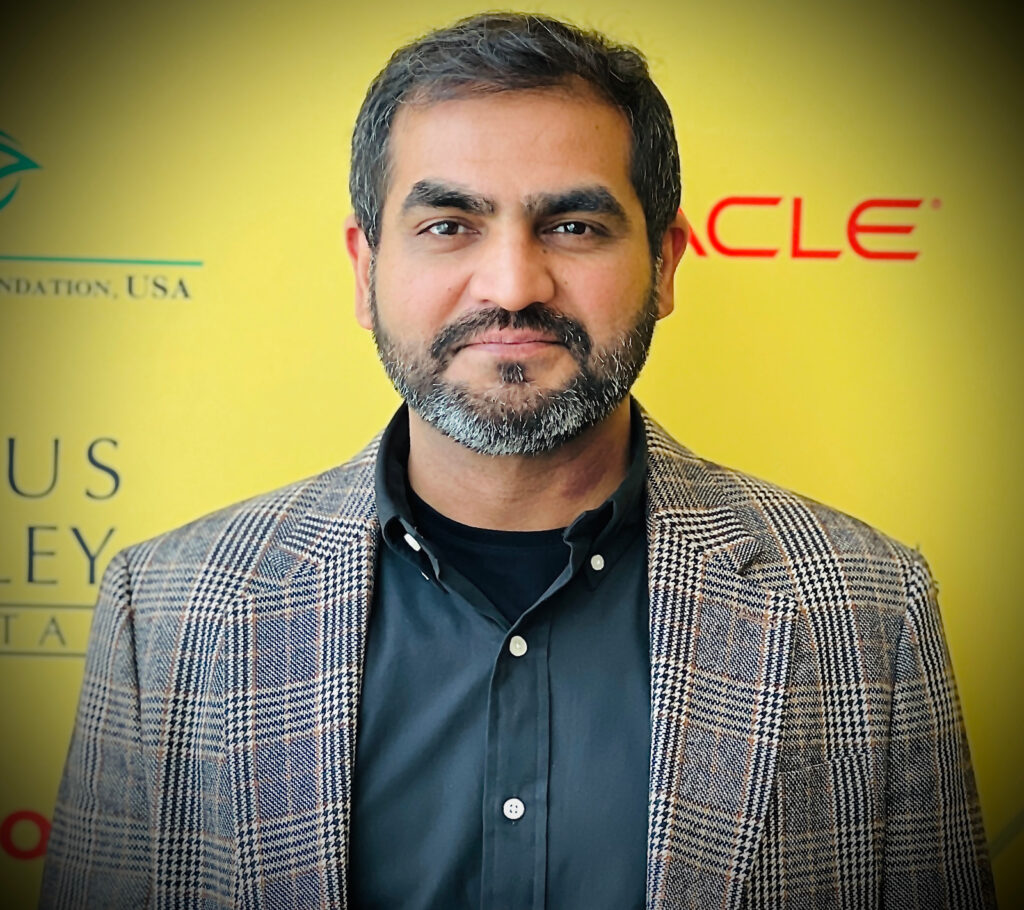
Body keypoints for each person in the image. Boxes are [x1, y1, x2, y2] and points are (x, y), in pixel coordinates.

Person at [41, 12, 995, 909]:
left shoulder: (868, 610)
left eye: (573, 226)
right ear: (365, 271)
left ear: (665, 265)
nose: (511, 285)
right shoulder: (164, 614)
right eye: (448, 225)